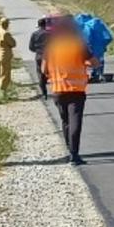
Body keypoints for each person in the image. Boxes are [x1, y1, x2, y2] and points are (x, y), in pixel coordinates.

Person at [43, 17, 96, 165]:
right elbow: (94, 62)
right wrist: (86, 63)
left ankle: (68, 149)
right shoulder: (79, 45)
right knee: (75, 121)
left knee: (65, 120)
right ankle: (74, 154)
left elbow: (43, 69)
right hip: (76, 90)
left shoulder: (51, 46)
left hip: (58, 90)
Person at [28, 16, 55, 99]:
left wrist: (37, 50)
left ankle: (44, 93)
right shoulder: (50, 34)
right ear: (45, 25)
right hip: (50, 56)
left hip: (39, 56)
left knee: (40, 75)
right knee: (53, 74)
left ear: (38, 25)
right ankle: (56, 91)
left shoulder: (34, 34)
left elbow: (31, 47)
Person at [0, 17, 17, 94]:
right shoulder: (5, 33)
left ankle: (0, 90)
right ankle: (2, 92)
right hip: (5, 56)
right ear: (6, 24)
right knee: (5, 76)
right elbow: (13, 43)